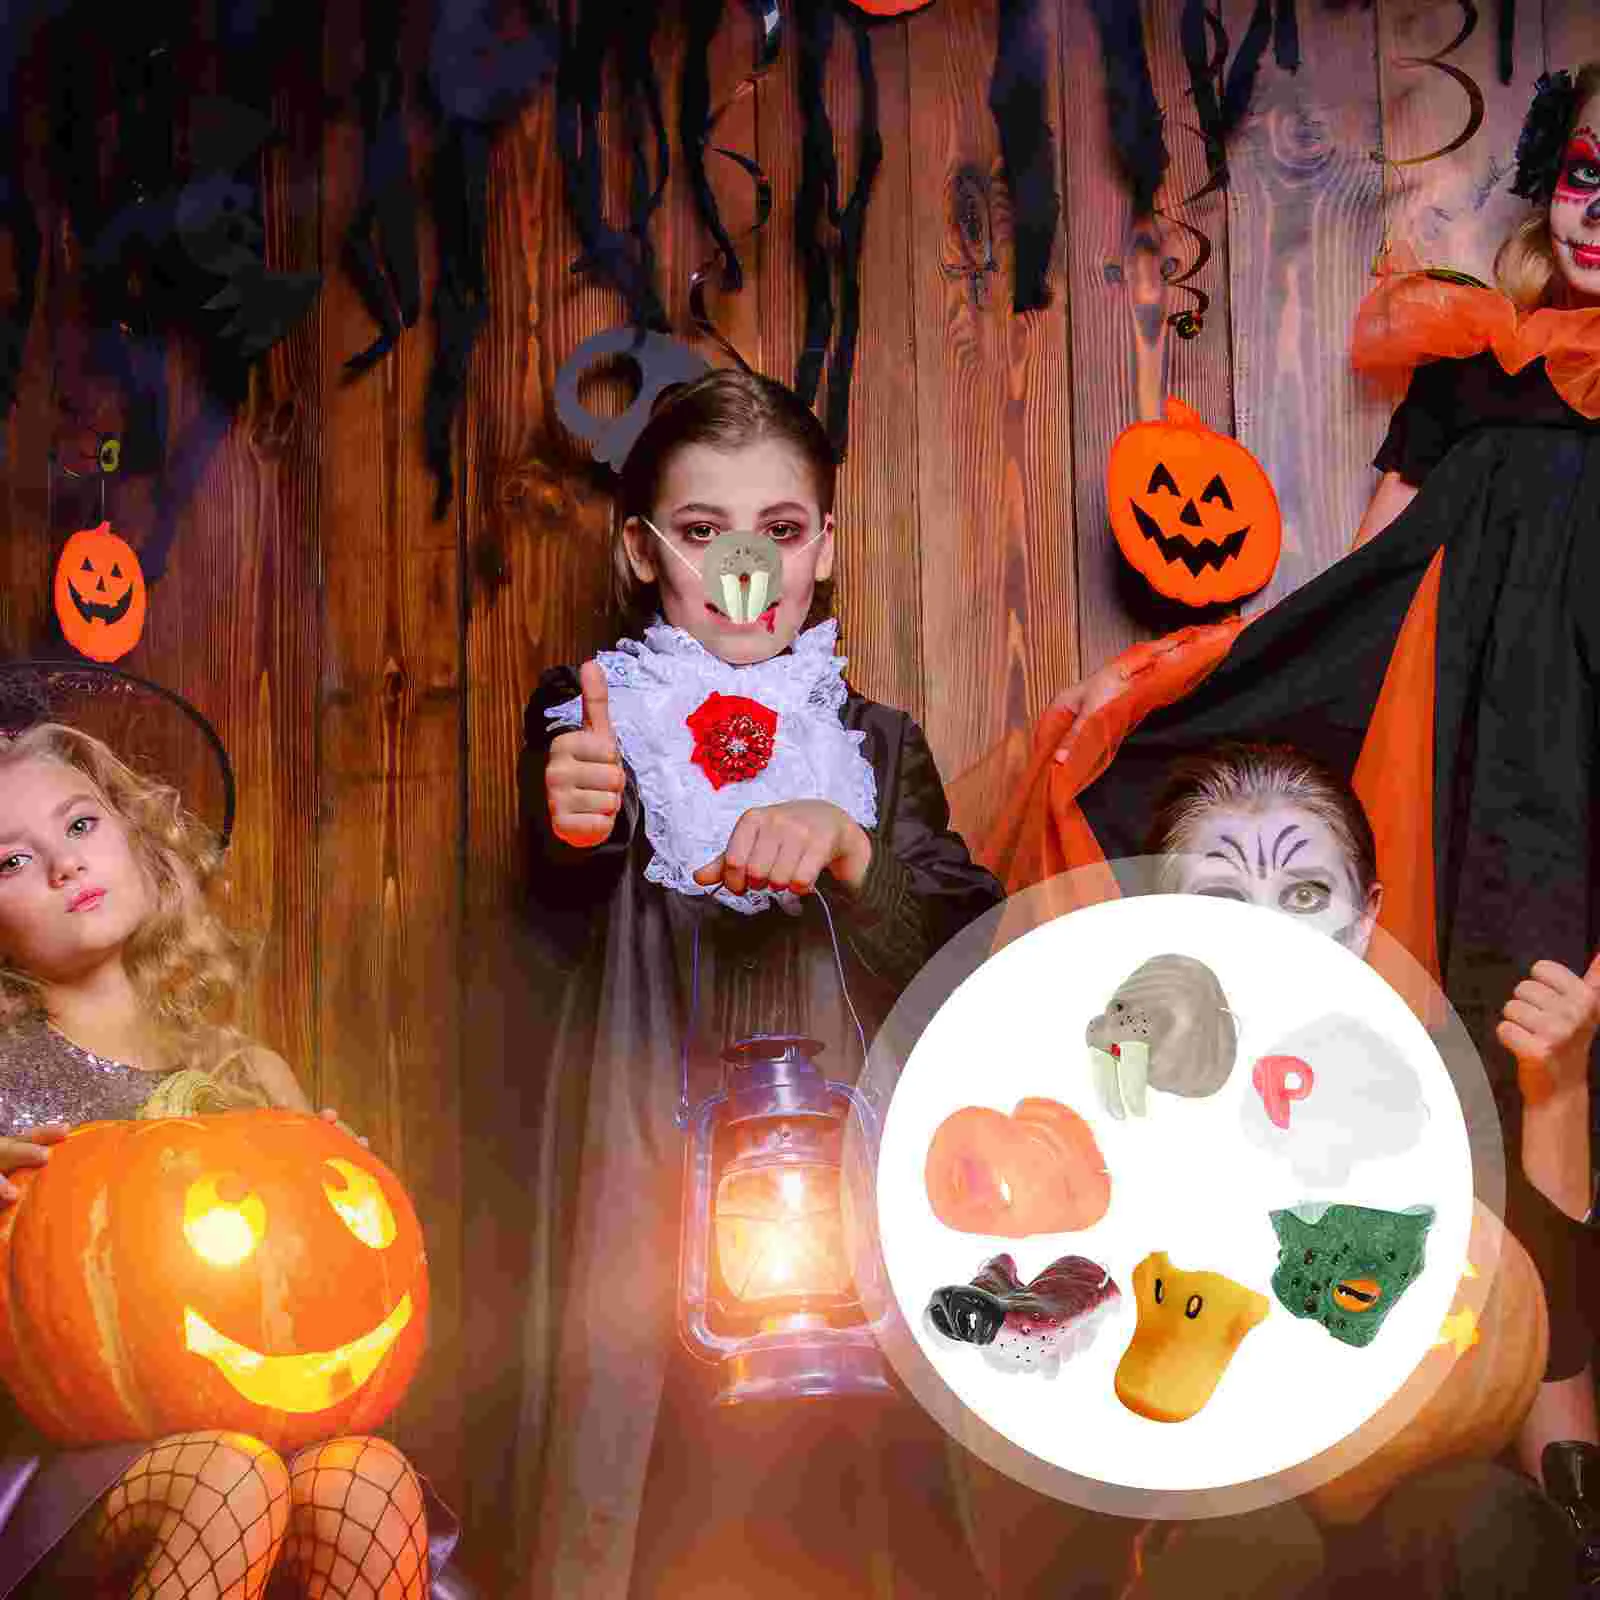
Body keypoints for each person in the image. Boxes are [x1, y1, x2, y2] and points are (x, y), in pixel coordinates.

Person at [970, 62, 1600, 1571]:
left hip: (1579, 756)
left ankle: (1563, 1447)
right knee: (1463, 1046)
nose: (1599, 214)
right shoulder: (1469, 358)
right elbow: (1360, 583)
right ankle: (1440, 1438)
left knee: (1561, 1061)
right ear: (1550, 180)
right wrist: (1205, 683)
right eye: (1585, 174)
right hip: (1445, 746)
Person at [512, 367, 1006, 1598]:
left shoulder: (875, 744)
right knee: (645, 1456)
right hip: (647, 1142)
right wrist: (574, 813)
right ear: (642, 552)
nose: (745, 570)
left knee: (854, 1494)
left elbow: (957, 955)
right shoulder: (598, 715)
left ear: (824, 546)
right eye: (701, 531)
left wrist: (851, 849)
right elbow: (558, 888)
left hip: (841, 1154)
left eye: (779, 531)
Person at [0, 720, 451, 1599]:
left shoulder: (248, 1074)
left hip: (254, 1450)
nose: (64, 865)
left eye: (81, 824)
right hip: (47, 1471)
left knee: (367, 1477)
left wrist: (341, 1181)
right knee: (230, 1475)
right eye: (10, 861)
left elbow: (323, 1284)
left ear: (138, 839)